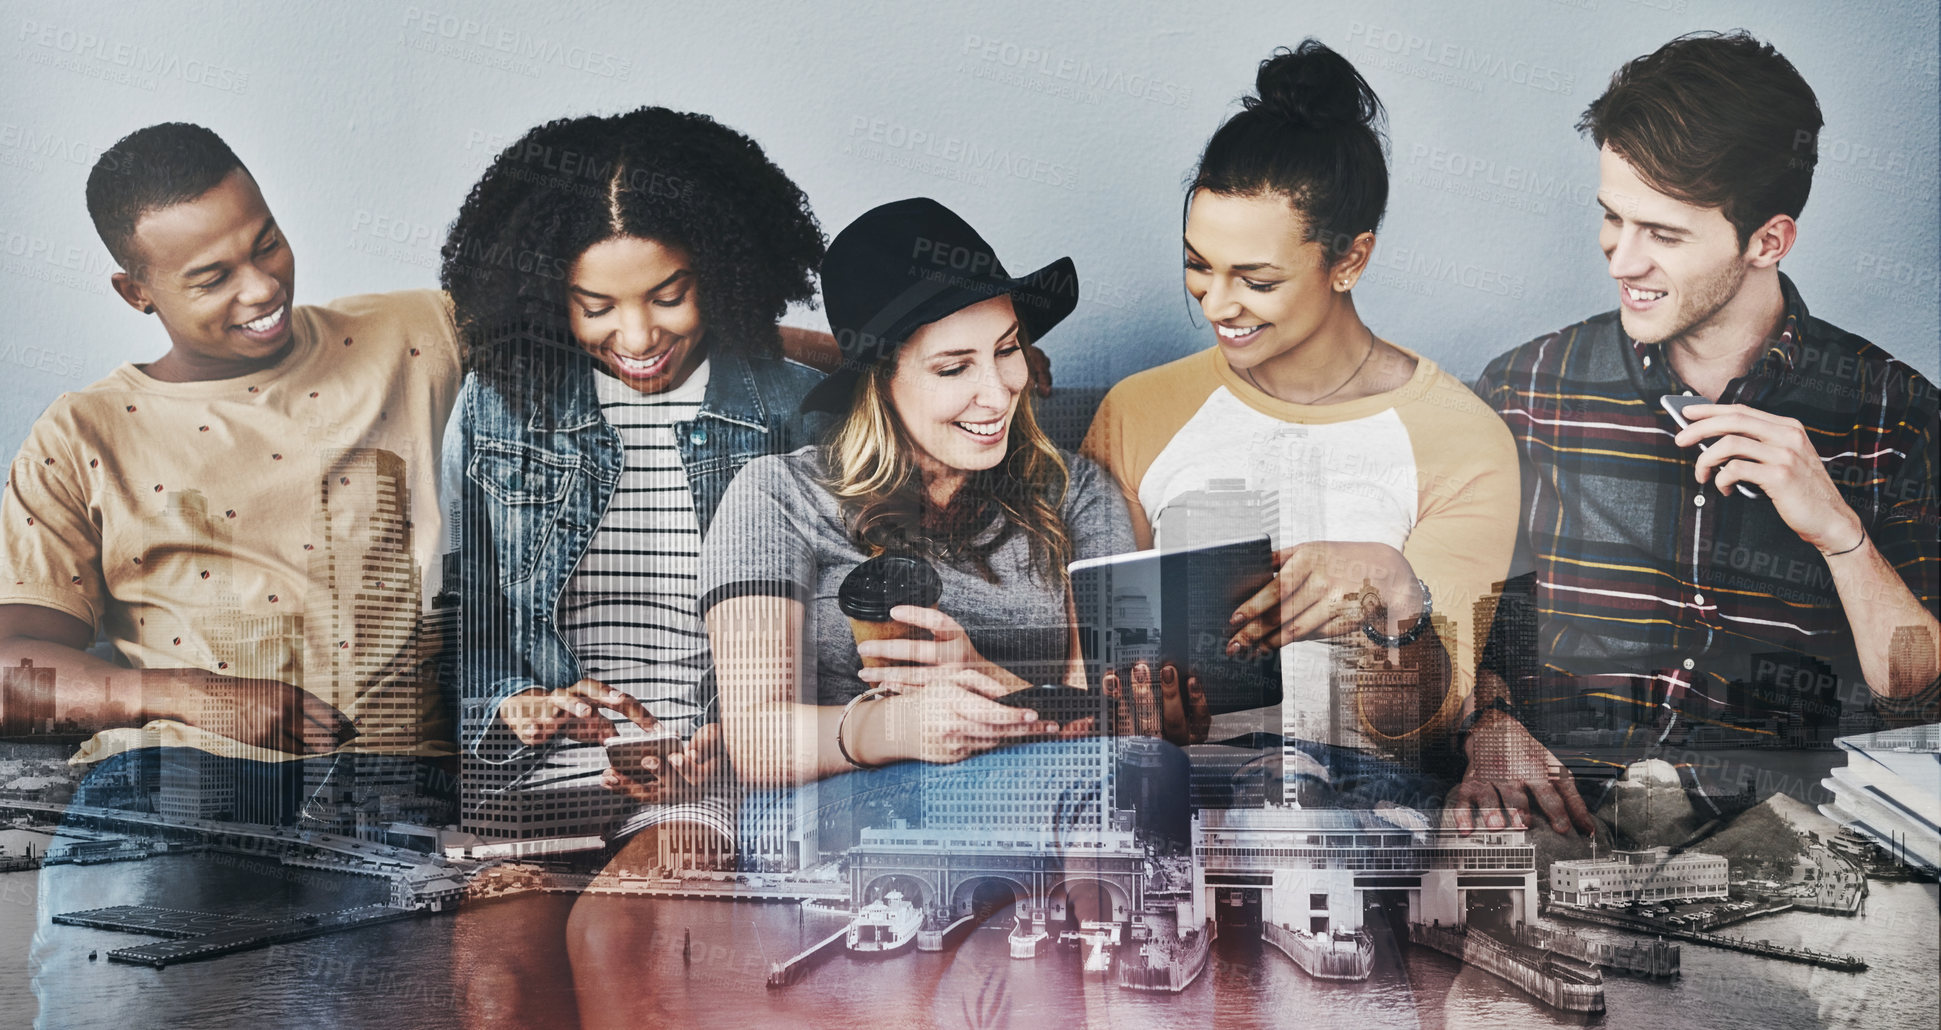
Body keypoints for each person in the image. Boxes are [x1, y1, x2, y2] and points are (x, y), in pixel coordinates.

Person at [5, 122, 460, 1023]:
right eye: (211, 278)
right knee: (118, 999)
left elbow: (629, 309)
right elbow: (15, 668)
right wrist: (195, 695)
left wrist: (824, 358)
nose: (261, 289)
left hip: (392, 784)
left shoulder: (414, 330)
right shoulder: (83, 431)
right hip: (170, 778)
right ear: (135, 291)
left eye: (267, 245)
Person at [1461, 32, 1938, 841]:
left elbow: (1916, 697)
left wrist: (1838, 533)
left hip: (1785, 856)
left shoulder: (1894, 414)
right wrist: (1485, 730)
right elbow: (1455, 622)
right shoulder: (1525, 390)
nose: (1621, 258)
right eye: (1612, 218)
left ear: (1766, 242)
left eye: (1664, 234)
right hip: (1554, 832)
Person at [444, 107, 831, 1029]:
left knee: (622, 938)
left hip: (709, 776)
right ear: (548, 296)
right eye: (596, 306)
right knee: (496, 989)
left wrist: (729, 742)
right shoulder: (497, 408)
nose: (636, 334)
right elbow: (471, 624)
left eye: (668, 294)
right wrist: (514, 703)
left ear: (726, 270)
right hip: (538, 783)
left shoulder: (794, 412)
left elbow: (828, 645)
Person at [1081, 41, 1519, 809]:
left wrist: (1396, 594)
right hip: (1175, 786)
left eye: (1256, 280)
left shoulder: (1460, 435)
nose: (1215, 304)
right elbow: (1083, 668)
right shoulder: (1137, 410)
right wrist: (1137, 721)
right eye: (1197, 265)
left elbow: (1417, 729)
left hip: (1365, 798)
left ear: (1349, 260)